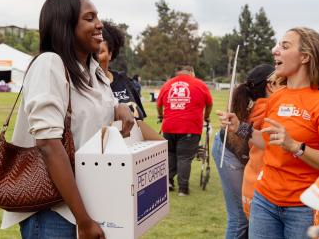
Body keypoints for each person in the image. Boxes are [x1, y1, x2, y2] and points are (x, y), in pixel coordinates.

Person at [1, 0, 134, 239]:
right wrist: (83, 221)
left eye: (98, 17)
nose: (100, 24)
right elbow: (48, 144)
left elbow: (96, 106)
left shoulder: (92, 69)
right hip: (55, 213)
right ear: (66, 26)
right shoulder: (50, 64)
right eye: (89, 18)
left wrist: (119, 107)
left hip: (87, 205)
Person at [218, 27, 319, 239]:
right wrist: (240, 128)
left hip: (306, 208)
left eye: (284, 46)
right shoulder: (277, 98)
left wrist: (296, 147)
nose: (274, 50)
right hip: (264, 201)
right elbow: (269, 141)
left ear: (305, 57)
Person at [212, 64, 276, 239]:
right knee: (239, 218)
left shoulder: (262, 105)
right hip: (229, 152)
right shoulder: (267, 108)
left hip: (231, 149)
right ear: (270, 85)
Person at [157, 65, 213, 196]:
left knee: (170, 154)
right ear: (191, 72)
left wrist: (161, 116)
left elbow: (158, 104)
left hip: (169, 126)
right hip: (190, 127)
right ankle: (183, 188)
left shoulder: (167, 84)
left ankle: (169, 182)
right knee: (184, 158)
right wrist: (206, 117)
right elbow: (209, 103)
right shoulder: (199, 84)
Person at [241, 71, 284, 219]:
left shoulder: (256, 108)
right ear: (271, 86)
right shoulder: (271, 110)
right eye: (285, 84)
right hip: (263, 189)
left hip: (251, 182)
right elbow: (266, 142)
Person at [97, 20, 146, 120]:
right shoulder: (82, 85)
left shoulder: (124, 81)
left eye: (99, 52)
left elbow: (141, 120)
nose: (94, 57)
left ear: (110, 53)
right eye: (89, 52)